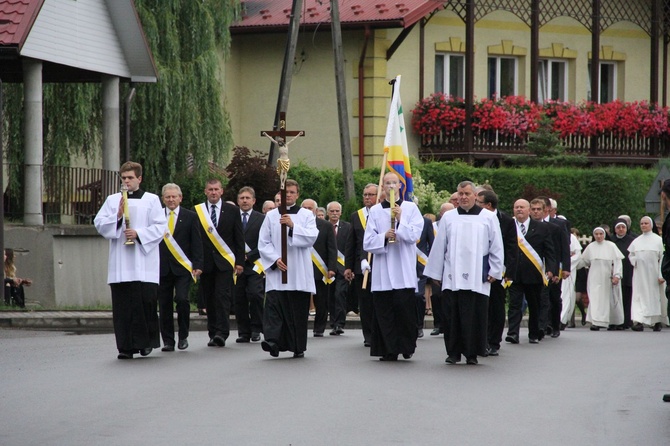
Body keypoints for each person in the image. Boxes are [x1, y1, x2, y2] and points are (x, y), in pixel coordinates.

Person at [94, 161, 167, 359]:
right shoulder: (112, 200)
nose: (126, 181)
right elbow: (99, 223)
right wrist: (117, 216)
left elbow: (161, 226)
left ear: (139, 179)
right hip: (121, 264)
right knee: (123, 307)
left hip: (144, 262)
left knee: (145, 304)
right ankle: (125, 347)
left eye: (130, 178)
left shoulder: (151, 200)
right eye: (124, 178)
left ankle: (145, 344)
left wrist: (138, 233)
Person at [426, 181, 504, 365]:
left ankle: (472, 353)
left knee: (475, 315)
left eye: (467, 193)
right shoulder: (449, 217)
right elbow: (439, 246)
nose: (463, 197)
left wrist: (495, 270)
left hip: (478, 276)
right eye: (460, 193)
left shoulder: (488, 217)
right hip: (452, 275)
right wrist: (436, 273)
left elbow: (496, 245)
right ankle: (453, 352)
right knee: (452, 315)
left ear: (475, 196)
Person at [363, 172, 424, 361]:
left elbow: (414, 236)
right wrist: (383, 236)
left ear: (400, 186)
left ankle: (406, 346)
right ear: (383, 186)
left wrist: (400, 221)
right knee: (384, 313)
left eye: (394, 183)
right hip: (383, 270)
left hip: (403, 268)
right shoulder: (374, 211)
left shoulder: (411, 208)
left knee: (404, 312)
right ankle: (388, 349)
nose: (390, 186)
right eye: (387, 183)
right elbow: (368, 242)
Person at [259, 179, 318, 358]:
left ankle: (297, 345)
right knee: (274, 308)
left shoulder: (306, 215)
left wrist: (293, 227)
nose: (289, 195)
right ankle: (272, 341)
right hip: (278, 272)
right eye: (285, 193)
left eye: (292, 192)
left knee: (296, 312)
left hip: (298, 272)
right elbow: (263, 242)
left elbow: (311, 237)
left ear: (297, 195)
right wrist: (275, 259)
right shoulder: (270, 216)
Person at [195, 179, 245, 348]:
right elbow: (196, 240)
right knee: (209, 298)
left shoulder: (232, 211)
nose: (213, 192)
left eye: (216, 189)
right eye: (210, 189)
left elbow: (239, 238)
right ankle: (212, 332)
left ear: (222, 191)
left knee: (222, 297)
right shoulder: (198, 211)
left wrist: (239, 262)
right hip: (206, 263)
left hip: (225, 262)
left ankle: (222, 333)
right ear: (205, 191)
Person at [158, 183, 203, 352]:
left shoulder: (190, 217)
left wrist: (198, 265)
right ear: (163, 199)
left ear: (180, 198)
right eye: (167, 197)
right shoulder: (156, 217)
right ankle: (168, 340)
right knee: (164, 305)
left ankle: (183, 335)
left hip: (183, 268)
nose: (171, 199)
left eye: (174, 196)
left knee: (183, 300)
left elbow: (197, 242)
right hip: (161, 267)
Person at [505, 199, 557, 344]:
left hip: (533, 274)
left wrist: (552, 269)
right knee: (514, 304)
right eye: (516, 207)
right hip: (514, 273)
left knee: (535, 305)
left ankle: (533, 333)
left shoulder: (541, 228)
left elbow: (549, 251)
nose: (519, 210)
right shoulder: (509, 226)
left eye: (522, 207)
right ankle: (513, 333)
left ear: (528, 210)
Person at [476, 189, 517, 356]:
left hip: (499, 272)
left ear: (488, 205)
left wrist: (508, 272)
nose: (475, 205)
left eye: (478, 202)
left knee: (496, 307)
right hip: (479, 271)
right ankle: (481, 340)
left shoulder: (506, 221)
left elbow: (512, 248)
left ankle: (494, 342)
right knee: (481, 306)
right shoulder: (476, 218)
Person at [344, 183, 378, 347]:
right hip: (360, 267)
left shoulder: (383, 215)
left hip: (379, 266)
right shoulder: (356, 216)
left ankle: (380, 332)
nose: (367, 197)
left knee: (378, 301)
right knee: (365, 303)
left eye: (371, 194)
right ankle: (369, 336)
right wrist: (348, 266)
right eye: (365, 194)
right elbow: (352, 243)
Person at [234, 187, 266, 343]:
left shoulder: (261, 219)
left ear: (254, 201)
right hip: (236, 265)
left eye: (247, 198)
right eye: (242, 198)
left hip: (255, 264)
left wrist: (249, 256)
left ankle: (256, 328)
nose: (244, 201)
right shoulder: (232, 217)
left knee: (255, 295)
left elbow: (265, 242)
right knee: (238, 298)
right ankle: (243, 332)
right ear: (237, 200)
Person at [301, 198, 337, 337]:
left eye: (310, 208)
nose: (307, 211)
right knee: (302, 300)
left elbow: (332, 248)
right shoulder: (297, 225)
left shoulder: (325, 225)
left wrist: (331, 268)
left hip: (320, 270)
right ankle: (301, 326)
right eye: (305, 208)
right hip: (303, 268)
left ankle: (319, 328)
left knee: (321, 300)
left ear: (316, 211)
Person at [577, 227, 624, 331]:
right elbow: (583, 261)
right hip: (594, 278)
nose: (598, 236)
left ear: (604, 235)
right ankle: (596, 322)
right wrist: (571, 262)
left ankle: (613, 321)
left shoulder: (611, 246)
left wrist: (617, 275)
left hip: (608, 277)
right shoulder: (591, 247)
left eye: (600, 234)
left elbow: (617, 262)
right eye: (596, 234)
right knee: (595, 299)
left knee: (610, 299)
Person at [628, 216, 668, 331]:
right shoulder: (636, 241)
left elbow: (663, 258)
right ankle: (638, 321)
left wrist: (661, 275)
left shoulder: (658, 240)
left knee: (654, 297)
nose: (643, 225)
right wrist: (636, 262)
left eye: (646, 223)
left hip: (653, 275)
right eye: (641, 223)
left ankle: (655, 321)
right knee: (638, 297)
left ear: (651, 225)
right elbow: (631, 255)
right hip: (640, 275)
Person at [327, 201, 352, 335]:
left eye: (337, 211)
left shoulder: (347, 227)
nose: (335, 213)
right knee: (330, 296)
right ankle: (333, 322)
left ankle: (339, 324)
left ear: (341, 213)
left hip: (343, 268)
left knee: (340, 294)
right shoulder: (323, 227)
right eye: (332, 211)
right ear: (327, 213)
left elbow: (350, 247)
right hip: (327, 268)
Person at [611, 218, 635, 329]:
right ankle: (615, 321)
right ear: (614, 229)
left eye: (623, 227)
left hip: (628, 271)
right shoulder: (610, 241)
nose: (621, 229)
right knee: (615, 298)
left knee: (627, 297)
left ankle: (626, 321)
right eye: (618, 227)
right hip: (614, 273)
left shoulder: (632, 240)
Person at [415, 214, 434, 338]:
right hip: (402, 265)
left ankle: (418, 326)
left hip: (420, 265)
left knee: (417, 296)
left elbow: (432, 244)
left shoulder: (425, 222)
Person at [559, 224, 582, 329]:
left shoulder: (572, 238)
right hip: (554, 270)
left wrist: (565, 265)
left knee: (566, 295)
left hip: (568, 271)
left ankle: (562, 319)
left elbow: (577, 255)